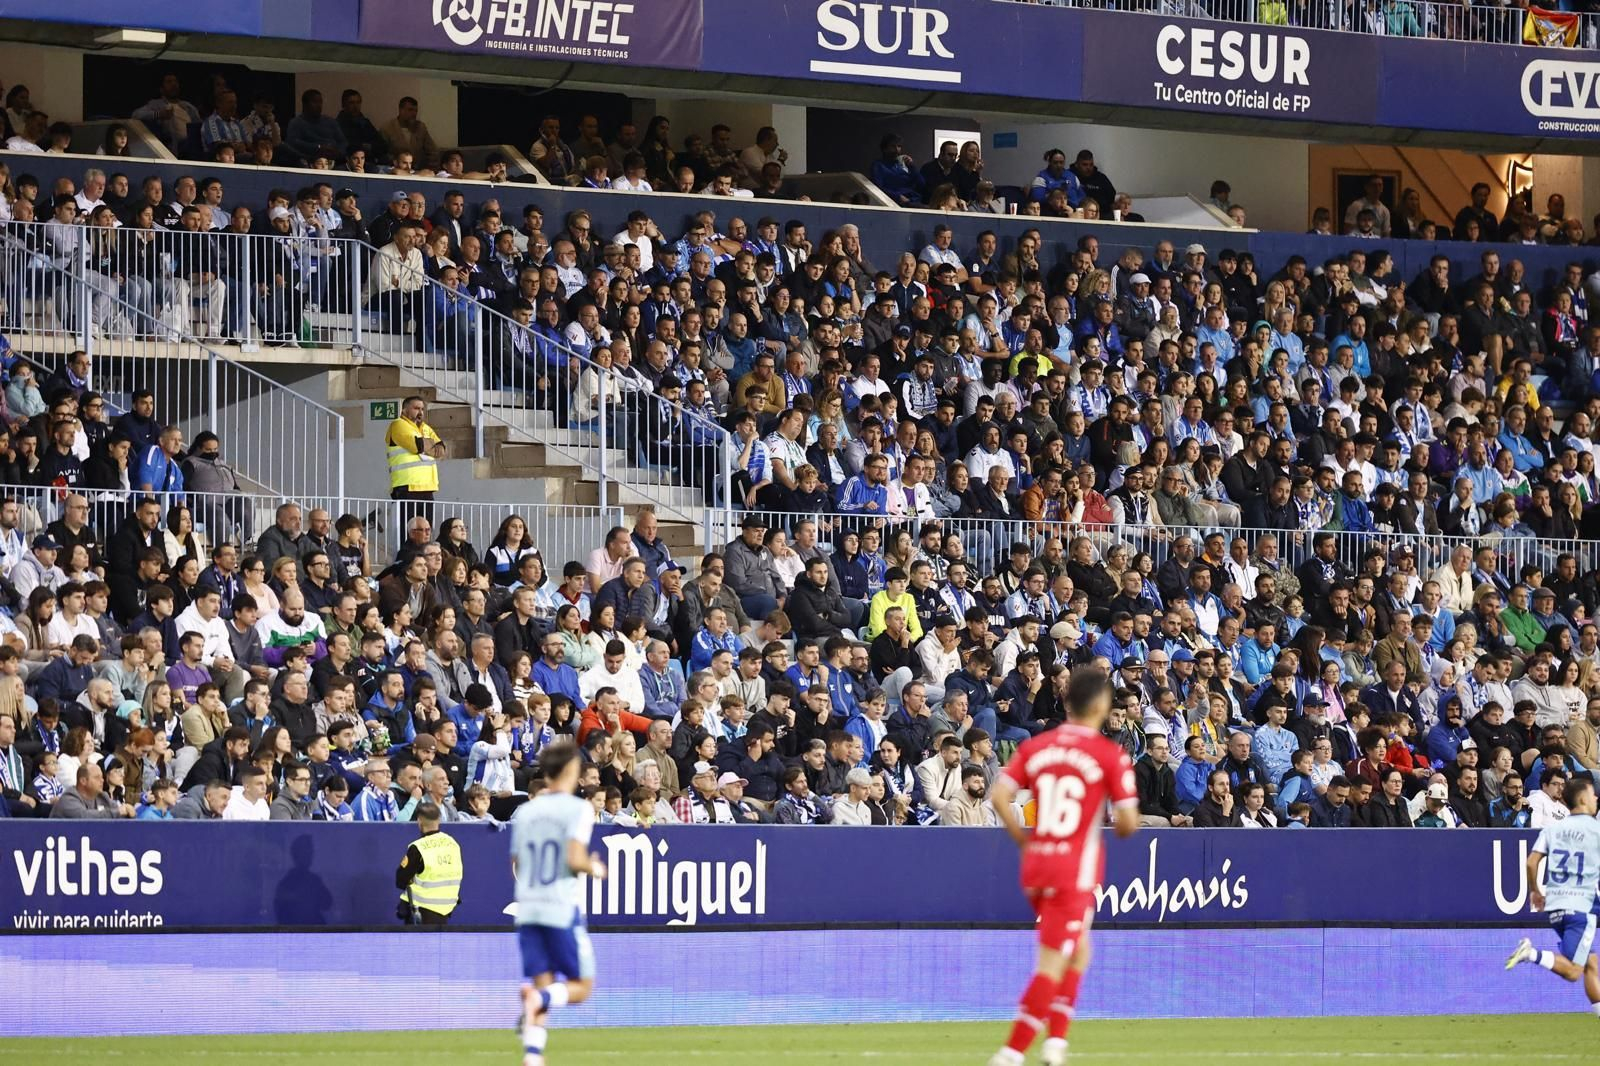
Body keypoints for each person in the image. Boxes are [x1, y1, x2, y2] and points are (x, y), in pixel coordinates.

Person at [989, 668, 1138, 1066]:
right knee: (1052, 962)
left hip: (1036, 864)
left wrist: (1025, 840)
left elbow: (999, 796)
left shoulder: (1037, 746)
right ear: (1103, 706)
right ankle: (1011, 1053)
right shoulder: (1109, 753)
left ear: (1067, 703)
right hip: (1073, 870)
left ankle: (1056, 1044)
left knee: (1080, 951)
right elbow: (1127, 824)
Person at [511, 741, 608, 1066]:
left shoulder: (525, 812)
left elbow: (517, 862)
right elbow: (574, 857)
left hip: (527, 908)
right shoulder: (578, 808)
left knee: (543, 983)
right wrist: (595, 867)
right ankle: (539, 998)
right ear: (570, 771)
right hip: (560, 905)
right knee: (581, 987)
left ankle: (533, 1056)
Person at [1505, 777, 1600, 1017]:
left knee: (1590, 963)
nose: (1596, 798)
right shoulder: (1595, 829)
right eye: (1592, 794)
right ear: (1581, 799)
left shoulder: (1553, 828)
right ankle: (1531, 953)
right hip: (1582, 907)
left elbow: (1531, 862)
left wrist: (1535, 890)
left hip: (1556, 907)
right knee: (1573, 971)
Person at [395, 800, 463, 926]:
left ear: (419, 821)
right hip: (446, 910)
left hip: (422, 911)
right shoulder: (453, 843)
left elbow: (401, 880)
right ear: (439, 819)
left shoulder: (418, 847)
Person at [386, 396, 445, 526]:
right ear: (404, 410)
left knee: (426, 531)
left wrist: (425, 446)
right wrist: (428, 445)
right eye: (416, 408)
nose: (420, 412)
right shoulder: (398, 424)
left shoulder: (425, 428)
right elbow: (417, 446)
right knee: (407, 531)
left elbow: (441, 449)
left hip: (428, 488)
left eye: (422, 409)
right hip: (406, 487)